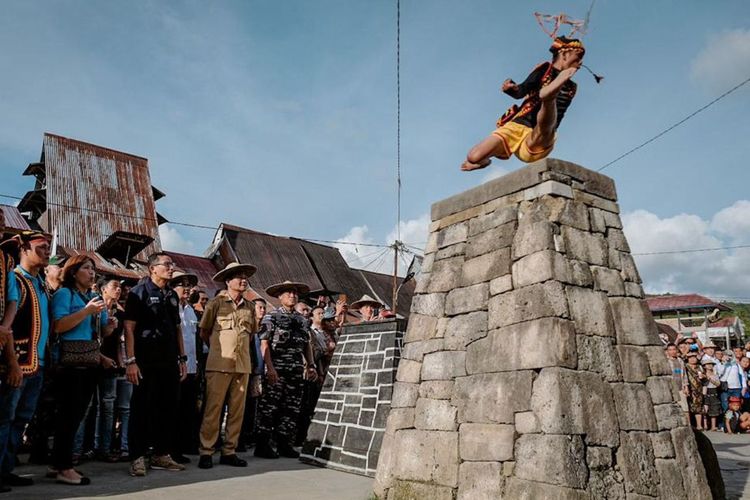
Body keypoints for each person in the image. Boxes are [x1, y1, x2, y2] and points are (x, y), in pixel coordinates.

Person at [461, 36, 585, 171]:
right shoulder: (545, 69)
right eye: (578, 57)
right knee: (474, 156)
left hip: (539, 137)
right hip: (517, 125)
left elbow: (559, 115)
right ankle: (484, 161)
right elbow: (522, 91)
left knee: (547, 115)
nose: (580, 62)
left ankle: (549, 96)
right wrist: (512, 89)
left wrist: (561, 82)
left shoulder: (571, 87)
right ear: (564, 54)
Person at [50, 255, 116, 485]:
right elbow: (59, 326)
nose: (92, 273)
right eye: (87, 268)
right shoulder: (64, 294)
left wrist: (109, 326)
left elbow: (99, 333)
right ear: (73, 271)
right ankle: (64, 467)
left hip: (89, 362)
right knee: (68, 417)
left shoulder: (93, 297)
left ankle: (60, 462)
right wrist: (86, 312)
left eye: (93, 269)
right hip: (69, 365)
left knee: (76, 416)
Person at [124, 253, 188, 477]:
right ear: (153, 269)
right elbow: (129, 328)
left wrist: (182, 358)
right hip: (144, 360)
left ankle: (162, 454)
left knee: (168, 407)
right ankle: (137, 456)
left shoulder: (172, 295)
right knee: (141, 408)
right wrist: (130, 361)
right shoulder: (138, 293)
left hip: (169, 360)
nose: (172, 268)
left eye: (172, 264)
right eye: (167, 264)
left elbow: (177, 328)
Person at [0, 231, 52, 492]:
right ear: (25, 249)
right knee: (5, 419)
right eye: (42, 247)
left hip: (38, 364)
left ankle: (6, 469)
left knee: (20, 420)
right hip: (18, 363)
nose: (47, 252)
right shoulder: (16, 279)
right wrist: (11, 363)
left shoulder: (40, 283)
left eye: (48, 247)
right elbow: (6, 327)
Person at [197, 262, 257, 469]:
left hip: (242, 366)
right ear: (228, 281)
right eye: (238, 276)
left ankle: (229, 451)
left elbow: (250, 337)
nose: (243, 280)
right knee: (213, 410)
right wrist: (217, 349)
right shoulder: (215, 303)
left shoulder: (250, 308)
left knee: (237, 412)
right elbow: (204, 332)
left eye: (244, 276)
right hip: (218, 365)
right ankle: (206, 451)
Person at [255, 281, 318, 459]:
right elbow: (264, 344)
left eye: (295, 293)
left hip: (296, 370)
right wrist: (270, 368)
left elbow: (307, 345)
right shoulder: (271, 317)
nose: (292, 295)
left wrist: (311, 365)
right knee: (269, 408)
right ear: (279, 297)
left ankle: (284, 444)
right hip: (277, 369)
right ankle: (263, 445)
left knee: (291, 409)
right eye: (288, 293)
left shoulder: (302, 320)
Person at [94, 279, 129, 462]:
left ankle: (104, 448)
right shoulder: (94, 307)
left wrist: (121, 361)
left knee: (108, 407)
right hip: (90, 361)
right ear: (103, 289)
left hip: (111, 365)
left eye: (120, 288)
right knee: (89, 408)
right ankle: (82, 448)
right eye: (114, 286)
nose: (118, 290)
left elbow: (117, 342)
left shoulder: (119, 315)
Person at [170, 271, 200, 463]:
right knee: (173, 409)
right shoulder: (170, 308)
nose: (187, 289)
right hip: (173, 366)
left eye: (188, 285)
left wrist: (195, 366)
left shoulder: (190, 310)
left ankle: (184, 445)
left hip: (190, 368)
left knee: (188, 409)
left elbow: (194, 340)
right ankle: (171, 449)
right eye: (182, 284)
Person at [664, 343, 689, 421]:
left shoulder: (680, 360)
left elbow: (684, 374)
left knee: (685, 408)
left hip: (681, 387)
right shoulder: (665, 361)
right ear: (667, 351)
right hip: (670, 388)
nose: (672, 351)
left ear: (677, 350)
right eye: (670, 350)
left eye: (674, 349)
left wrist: (686, 386)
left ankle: (688, 426)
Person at [684, 351, 705, 430]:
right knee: (688, 406)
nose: (693, 359)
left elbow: (704, 376)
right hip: (689, 388)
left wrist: (703, 376)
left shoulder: (699, 367)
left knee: (698, 407)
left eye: (694, 357)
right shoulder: (685, 366)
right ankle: (689, 424)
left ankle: (699, 425)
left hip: (698, 388)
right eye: (690, 358)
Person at [702, 358, 722, 431]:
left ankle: (713, 426)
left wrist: (710, 379)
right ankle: (705, 425)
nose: (710, 366)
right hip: (705, 391)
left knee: (714, 409)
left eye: (711, 364)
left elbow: (718, 384)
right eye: (707, 364)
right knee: (705, 409)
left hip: (714, 391)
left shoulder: (715, 374)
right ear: (704, 366)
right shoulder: (702, 374)